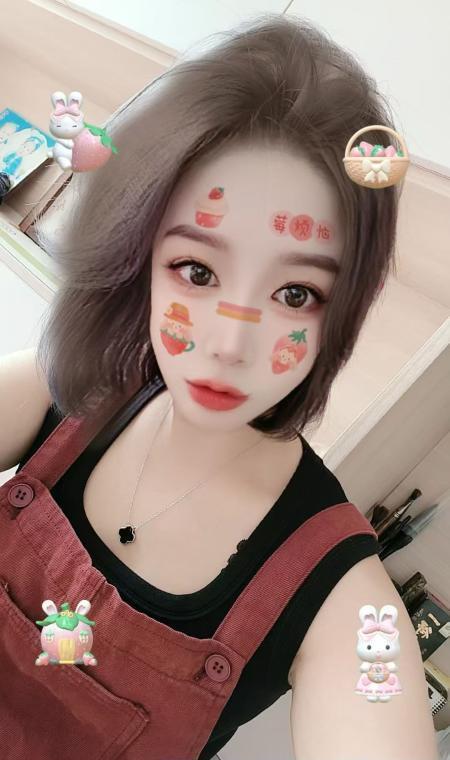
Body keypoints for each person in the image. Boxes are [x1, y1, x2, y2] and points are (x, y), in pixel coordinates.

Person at [0, 13, 438, 760]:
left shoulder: (342, 600)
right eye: (197, 272)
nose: (230, 346)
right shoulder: (64, 389)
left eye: (295, 294)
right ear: (140, 260)